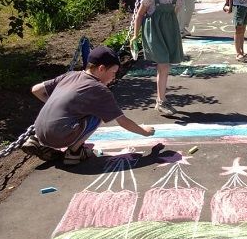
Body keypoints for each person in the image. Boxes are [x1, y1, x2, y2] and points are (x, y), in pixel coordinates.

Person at [21, 46, 155, 165]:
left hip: (39, 131)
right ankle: (74, 153)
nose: (114, 78)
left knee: (63, 110)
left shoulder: (70, 75)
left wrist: (58, 105)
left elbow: (36, 90)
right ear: (101, 68)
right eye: (113, 73)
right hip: (59, 136)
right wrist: (144, 131)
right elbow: (122, 121)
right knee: (97, 115)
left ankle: (38, 141)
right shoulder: (100, 90)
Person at [132, 0, 185, 116]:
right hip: (154, 34)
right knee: (163, 65)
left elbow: (174, 13)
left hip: (169, 32)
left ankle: (160, 101)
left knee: (165, 66)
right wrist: (136, 35)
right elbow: (140, 14)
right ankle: (161, 101)